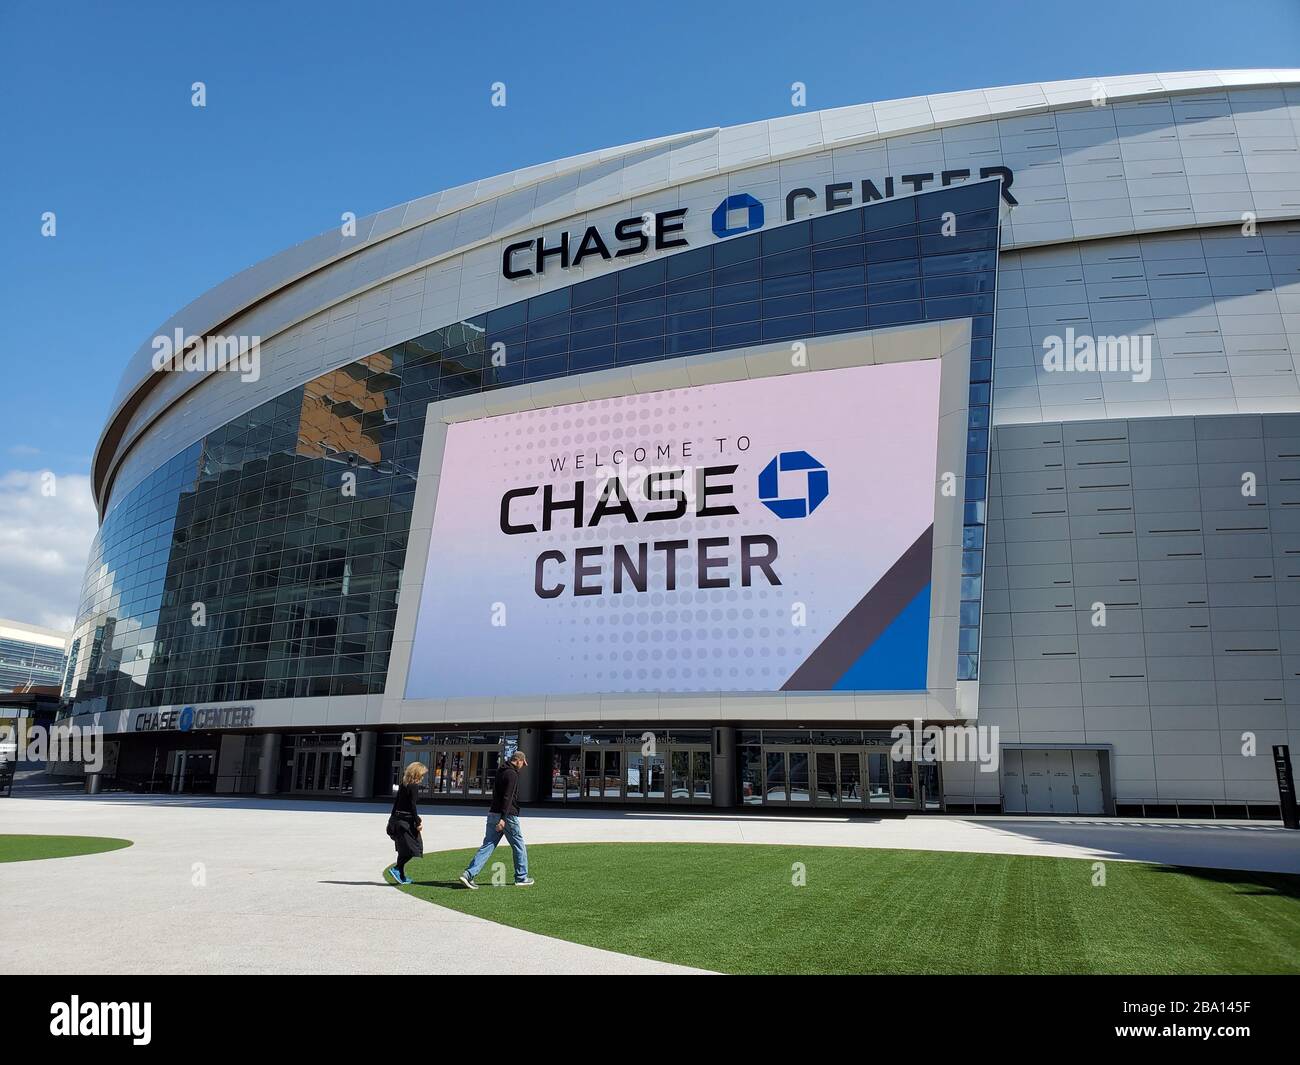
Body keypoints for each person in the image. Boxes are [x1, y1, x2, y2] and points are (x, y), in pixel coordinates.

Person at [459, 750, 533, 888]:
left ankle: (468, 874)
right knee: (519, 846)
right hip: (507, 816)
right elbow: (508, 797)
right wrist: (503, 818)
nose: (523, 766)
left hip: (493, 812)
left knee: (488, 845)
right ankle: (521, 877)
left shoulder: (501, 771)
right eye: (523, 763)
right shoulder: (512, 774)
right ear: (519, 761)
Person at [386, 762, 426, 885]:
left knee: (403, 849)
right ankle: (397, 868)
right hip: (407, 822)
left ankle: (401, 876)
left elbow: (396, 802)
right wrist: (417, 821)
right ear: (417, 773)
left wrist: (391, 818)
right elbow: (412, 806)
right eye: (422, 774)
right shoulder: (413, 786)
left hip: (397, 819)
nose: (423, 777)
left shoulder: (403, 785)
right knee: (415, 848)